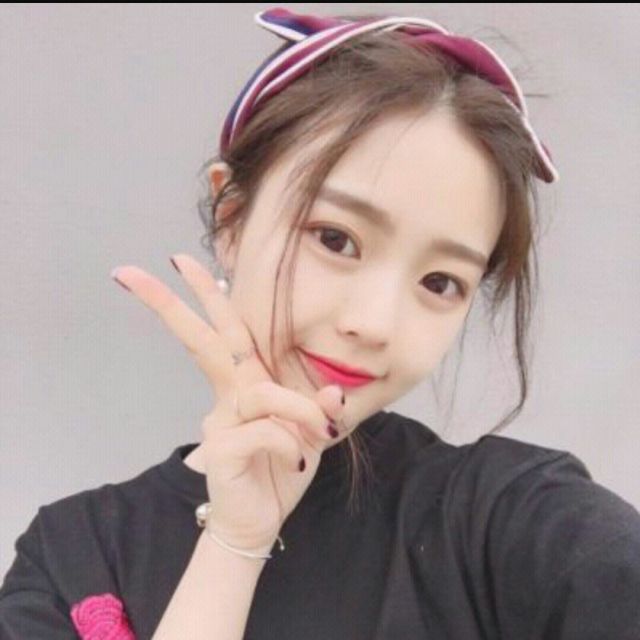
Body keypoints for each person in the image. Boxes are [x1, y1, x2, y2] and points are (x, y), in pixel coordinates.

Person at [1, 6, 639, 639]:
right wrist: (234, 543)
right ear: (232, 218)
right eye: (336, 239)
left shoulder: (511, 522)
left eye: (440, 282)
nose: (374, 323)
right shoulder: (72, 558)